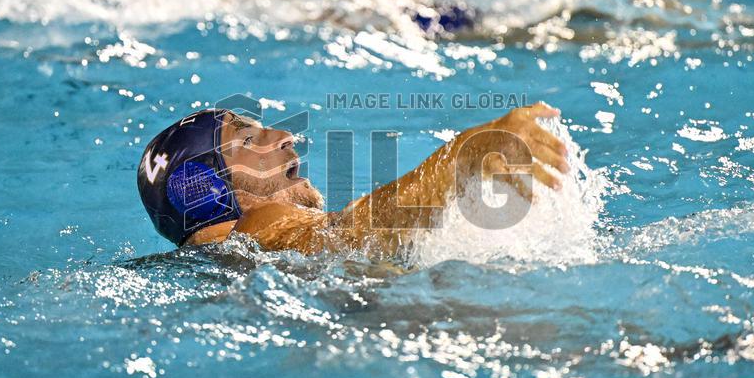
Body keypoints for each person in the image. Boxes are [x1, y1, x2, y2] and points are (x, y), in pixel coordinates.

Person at [137, 104, 569, 257]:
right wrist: (465, 154)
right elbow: (358, 232)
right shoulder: (257, 227)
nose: (287, 137)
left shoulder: (227, 264)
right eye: (248, 138)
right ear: (202, 188)